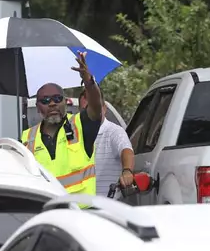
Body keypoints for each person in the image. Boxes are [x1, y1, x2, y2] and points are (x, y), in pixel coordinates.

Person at [21, 51, 102, 195]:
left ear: (65, 101)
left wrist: (89, 82)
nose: (52, 104)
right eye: (45, 101)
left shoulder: (80, 125)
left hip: (81, 212)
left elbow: (96, 106)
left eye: (57, 98)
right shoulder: (26, 140)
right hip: (47, 212)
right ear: (38, 106)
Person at [79, 90, 135, 197]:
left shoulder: (114, 131)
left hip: (108, 207)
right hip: (80, 207)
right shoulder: (73, 135)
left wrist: (127, 171)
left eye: (94, 108)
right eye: (85, 109)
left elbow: (126, 150)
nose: (90, 113)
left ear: (104, 108)